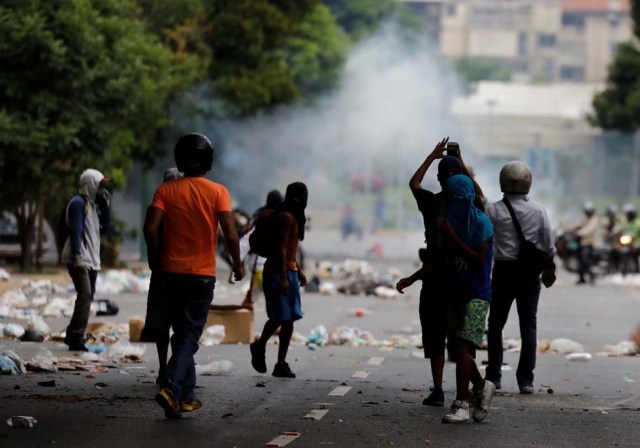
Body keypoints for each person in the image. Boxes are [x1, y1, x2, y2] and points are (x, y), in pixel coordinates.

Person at [144, 133, 244, 419]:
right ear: (208, 161)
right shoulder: (218, 192)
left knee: (181, 335)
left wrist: (156, 259)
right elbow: (231, 234)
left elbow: (150, 228)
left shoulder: (166, 191)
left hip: (170, 274)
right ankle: (171, 387)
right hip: (201, 276)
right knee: (189, 336)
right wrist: (237, 266)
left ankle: (186, 397)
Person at [397, 137, 483, 408]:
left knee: (434, 332)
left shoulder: (432, 204)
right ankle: (472, 386)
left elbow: (413, 184)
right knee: (460, 336)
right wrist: (462, 163)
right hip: (462, 278)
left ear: (439, 178)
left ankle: (438, 389)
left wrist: (432, 155)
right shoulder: (473, 210)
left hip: (434, 277)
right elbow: (479, 195)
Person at [485, 161, 556, 395]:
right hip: (528, 275)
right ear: (528, 181)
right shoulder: (538, 210)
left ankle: (493, 376)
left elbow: (485, 240)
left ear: (502, 181)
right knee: (529, 327)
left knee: (495, 326)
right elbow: (548, 245)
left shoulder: (493, 210)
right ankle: (525, 380)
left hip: (503, 273)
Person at [439, 174, 495, 424]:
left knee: (462, 347)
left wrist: (453, 238)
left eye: (453, 198)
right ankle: (483, 387)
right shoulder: (449, 221)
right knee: (458, 350)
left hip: (477, 294)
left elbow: (479, 259)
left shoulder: (481, 223)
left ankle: (461, 402)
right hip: (455, 291)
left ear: (465, 199)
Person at [249, 182, 308, 379]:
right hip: (276, 272)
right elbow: (281, 248)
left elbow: (291, 250)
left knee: (290, 318)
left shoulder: (294, 217)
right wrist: (283, 276)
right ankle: (260, 345)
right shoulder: (285, 217)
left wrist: (298, 272)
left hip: (289, 272)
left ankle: (281, 363)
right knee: (279, 317)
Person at [140, 167, 183, 385]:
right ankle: (174, 368)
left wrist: (155, 259)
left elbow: (149, 232)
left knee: (162, 323)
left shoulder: (155, 207)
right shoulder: (185, 207)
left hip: (164, 271)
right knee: (180, 324)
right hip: (182, 271)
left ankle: (165, 368)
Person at [61, 169, 111, 351]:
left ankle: (72, 333)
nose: (102, 189)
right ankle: (76, 337)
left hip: (91, 257)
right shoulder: (77, 203)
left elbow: (104, 227)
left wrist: (104, 205)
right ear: (90, 184)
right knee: (85, 295)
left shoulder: (92, 205)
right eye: (99, 185)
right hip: (79, 257)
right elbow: (76, 231)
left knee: (87, 297)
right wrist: (77, 256)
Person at [571, 201, 599, 284]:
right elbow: (578, 225)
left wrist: (579, 233)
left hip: (589, 244)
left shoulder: (594, 219)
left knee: (586, 261)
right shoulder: (586, 219)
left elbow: (588, 230)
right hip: (582, 243)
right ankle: (581, 278)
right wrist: (569, 229)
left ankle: (592, 276)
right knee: (579, 260)